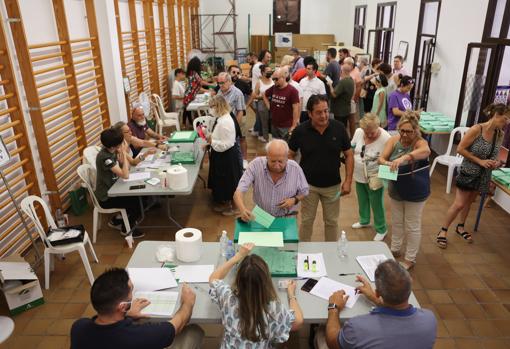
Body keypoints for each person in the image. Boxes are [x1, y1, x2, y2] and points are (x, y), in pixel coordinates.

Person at [70, 268, 203, 349]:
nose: (132, 295)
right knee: (194, 332)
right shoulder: (139, 336)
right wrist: (187, 303)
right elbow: (176, 325)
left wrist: (126, 315)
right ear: (122, 306)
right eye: (131, 291)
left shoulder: (78, 328)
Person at [315, 260, 436, 349]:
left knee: (321, 331)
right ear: (410, 286)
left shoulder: (357, 327)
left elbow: (332, 342)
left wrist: (333, 308)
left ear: (378, 292)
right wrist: (376, 300)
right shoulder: (429, 319)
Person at [437, 103, 509, 248]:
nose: (507, 122)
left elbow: (493, 155)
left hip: (483, 173)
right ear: (496, 115)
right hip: (469, 170)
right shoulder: (477, 129)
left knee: (469, 202)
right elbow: (461, 149)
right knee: (459, 204)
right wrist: (480, 161)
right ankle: (443, 230)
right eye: (505, 119)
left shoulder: (499, 134)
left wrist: (495, 162)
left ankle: (461, 227)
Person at [209, 243, 304, 348]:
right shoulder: (273, 309)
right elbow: (298, 322)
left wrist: (238, 256)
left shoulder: (227, 297)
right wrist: (291, 295)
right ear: (266, 281)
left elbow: (213, 278)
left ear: (238, 279)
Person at [289, 95, 353, 241]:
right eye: (318, 112)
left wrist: (348, 180)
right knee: (306, 221)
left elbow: (349, 155)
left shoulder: (339, 128)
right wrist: (295, 178)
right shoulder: (300, 131)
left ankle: (330, 253)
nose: (323, 115)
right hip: (308, 186)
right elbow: (290, 155)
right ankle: (303, 251)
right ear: (310, 113)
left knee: (331, 222)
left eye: (325, 111)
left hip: (333, 187)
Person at [379, 112, 431, 270]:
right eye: (402, 130)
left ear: (416, 130)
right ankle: (395, 248)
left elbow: (426, 152)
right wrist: (387, 163)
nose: (405, 134)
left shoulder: (419, 142)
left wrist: (405, 158)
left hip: (416, 190)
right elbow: (381, 158)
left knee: (412, 225)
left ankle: (410, 258)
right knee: (396, 220)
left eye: (409, 131)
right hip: (397, 187)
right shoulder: (394, 140)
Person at [234, 139, 309, 220]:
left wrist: (294, 200)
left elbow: (304, 191)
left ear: (287, 158)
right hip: (262, 216)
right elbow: (238, 192)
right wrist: (243, 210)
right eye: (273, 161)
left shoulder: (295, 169)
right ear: (267, 156)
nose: (277, 166)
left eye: (280, 161)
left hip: (287, 217)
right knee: (261, 233)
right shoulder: (256, 165)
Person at [95, 128, 144, 238]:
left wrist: (123, 160)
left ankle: (116, 220)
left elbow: (127, 165)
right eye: (121, 143)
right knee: (137, 203)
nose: (123, 144)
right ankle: (126, 228)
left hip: (115, 188)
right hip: (106, 197)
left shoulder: (112, 150)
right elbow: (125, 175)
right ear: (114, 146)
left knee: (140, 197)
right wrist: (123, 153)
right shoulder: (105, 157)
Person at [351, 114, 391, 241]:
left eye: (371, 133)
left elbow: (390, 160)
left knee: (376, 202)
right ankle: (364, 220)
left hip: (376, 175)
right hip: (359, 173)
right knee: (362, 198)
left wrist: (385, 180)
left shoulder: (386, 138)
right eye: (366, 132)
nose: (368, 135)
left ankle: (381, 229)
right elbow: (352, 146)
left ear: (378, 126)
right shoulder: (358, 131)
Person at [206, 95, 243, 216]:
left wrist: (212, 142)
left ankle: (233, 207)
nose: (210, 110)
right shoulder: (222, 118)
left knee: (228, 182)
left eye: (212, 107)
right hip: (221, 154)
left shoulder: (225, 122)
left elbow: (227, 143)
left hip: (226, 155)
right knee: (223, 181)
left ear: (218, 107)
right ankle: (226, 203)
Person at [216, 72, 248, 168]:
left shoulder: (237, 93)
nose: (220, 85)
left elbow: (240, 111)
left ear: (229, 81)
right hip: (223, 123)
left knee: (238, 143)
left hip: (234, 123)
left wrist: (234, 127)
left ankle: (242, 161)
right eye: (219, 83)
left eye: (223, 83)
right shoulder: (220, 92)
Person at [263, 68, 300, 140]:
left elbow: (296, 108)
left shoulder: (292, 91)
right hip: (274, 124)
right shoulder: (274, 88)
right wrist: (269, 106)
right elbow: (264, 94)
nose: (274, 81)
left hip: (286, 126)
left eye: (276, 79)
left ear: (283, 77)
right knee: (276, 145)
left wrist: (294, 125)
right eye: (273, 79)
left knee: (286, 147)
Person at [182, 56, 213, 128]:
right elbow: (201, 82)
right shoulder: (194, 73)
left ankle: (189, 123)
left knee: (187, 110)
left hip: (189, 93)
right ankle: (184, 124)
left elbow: (199, 83)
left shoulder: (190, 72)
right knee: (186, 110)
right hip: (190, 94)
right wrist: (211, 84)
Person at [252, 64, 274, 142]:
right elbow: (255, 95)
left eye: (270, 71)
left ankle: (272, 136)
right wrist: (263, 96)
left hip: (272, 103)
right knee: (264, 122)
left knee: (272, 121)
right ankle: (265, 137)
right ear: (263, 73)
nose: (269, 73)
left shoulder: (273, 81)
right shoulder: (259, 83)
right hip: (262, 104)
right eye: (267, 71)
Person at [328, 64, 354, 128]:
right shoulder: (351, 80)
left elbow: (334, 94)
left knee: (339, 128)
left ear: (342, 71)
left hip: (340, 110)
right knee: (344, 126)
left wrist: (330, 85)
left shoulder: (343, 82)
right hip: (346, 109)